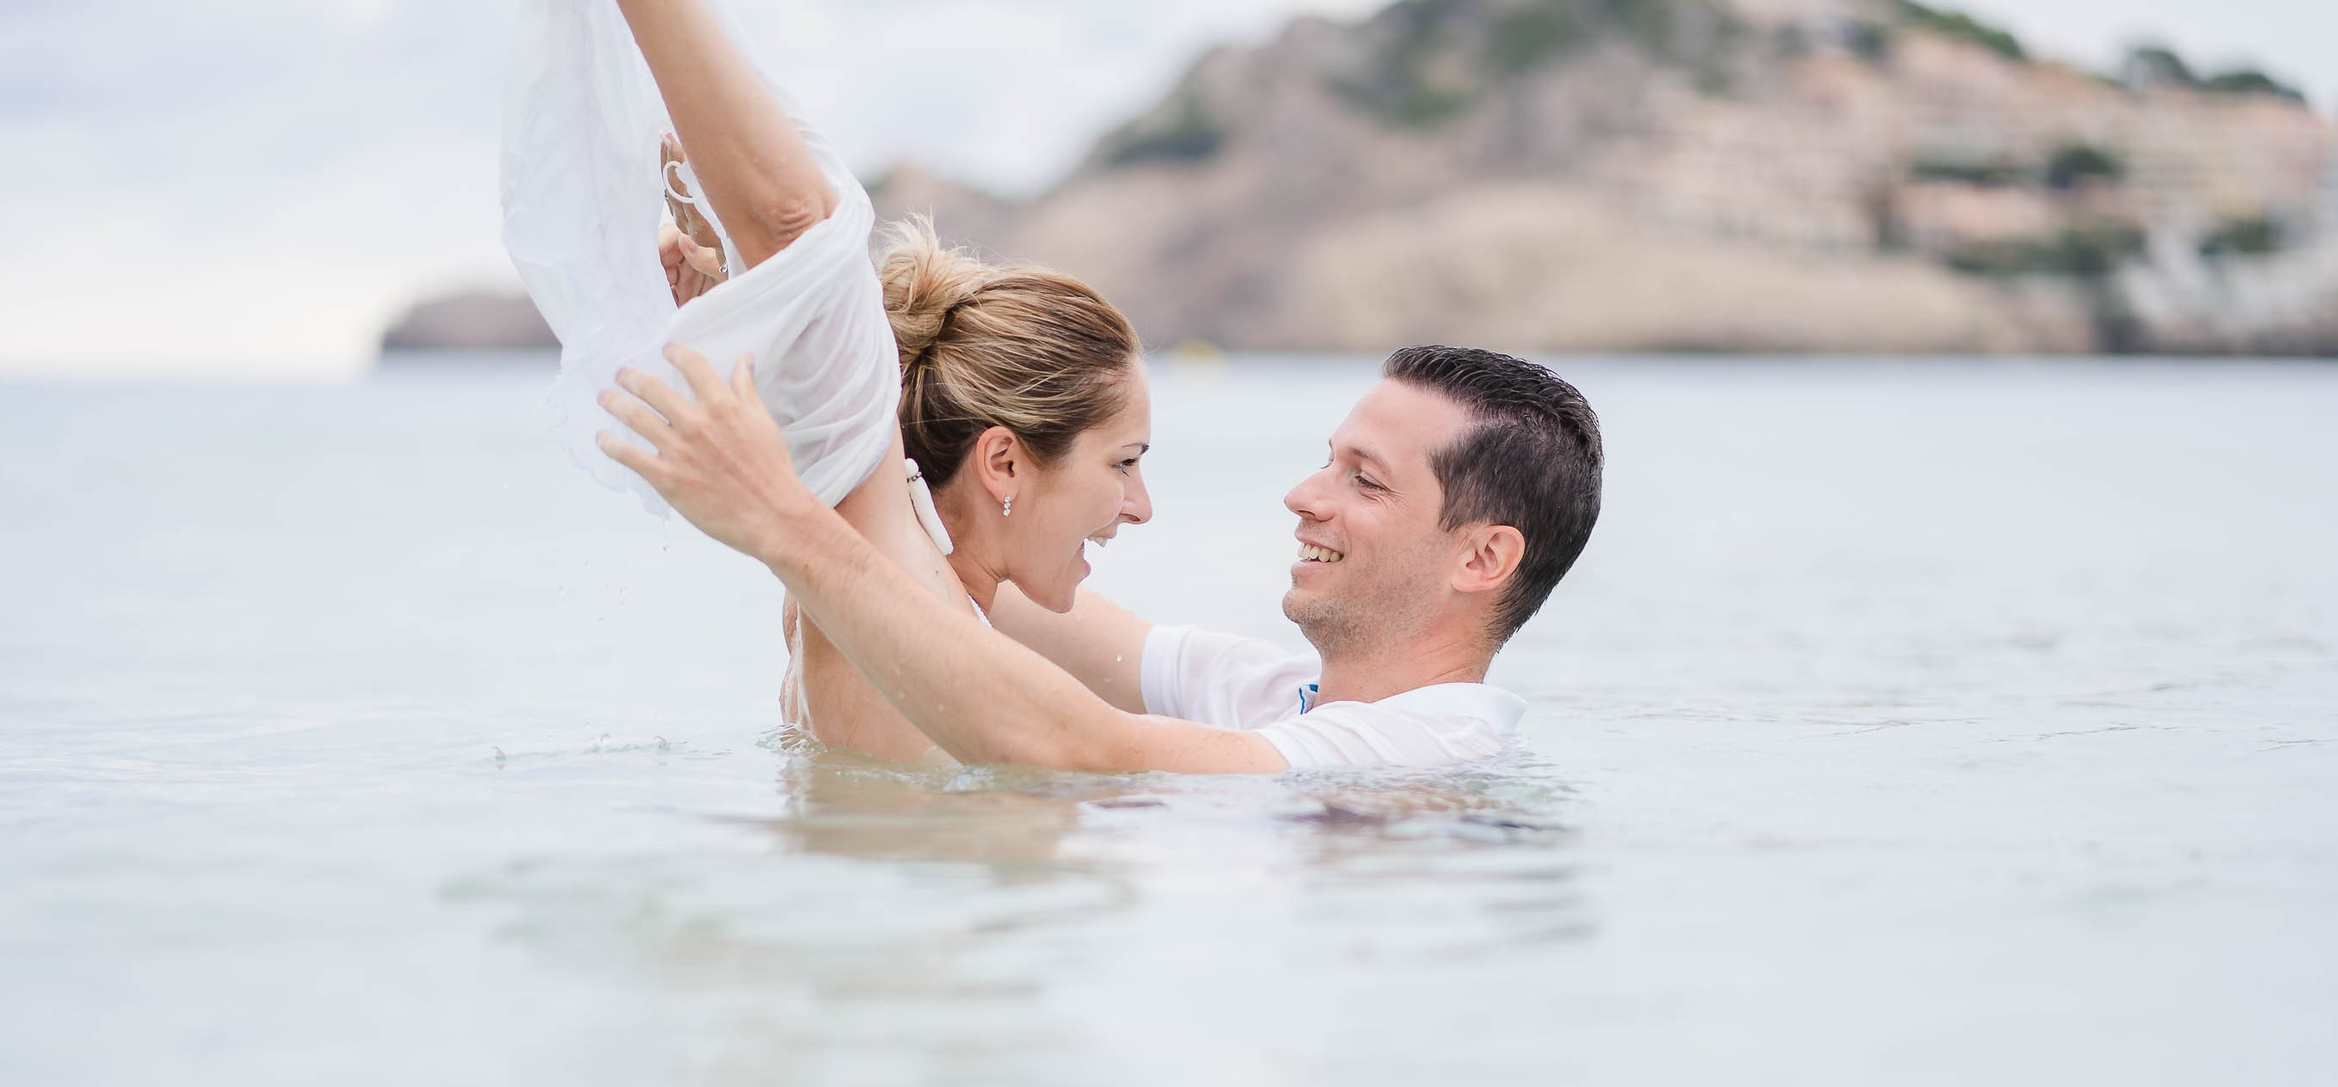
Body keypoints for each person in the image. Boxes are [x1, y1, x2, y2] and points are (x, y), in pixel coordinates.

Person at [503, 0, 1153, 763]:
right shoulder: (892, 578)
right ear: (1003, 460)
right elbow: (796, 226)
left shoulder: (889, 583)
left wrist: (748, 309)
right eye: (1125, 462)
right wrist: (769, 273)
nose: (1140, 507)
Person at [597, 342, 1604, 774]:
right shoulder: (1267, 692)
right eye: (1323, 462)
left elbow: (1071, 744)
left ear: (1483, 558)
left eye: (1364, 481)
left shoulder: (1435, 749)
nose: (1303, 495)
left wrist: (776, 518)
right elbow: (948, 574)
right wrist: (756, 354)